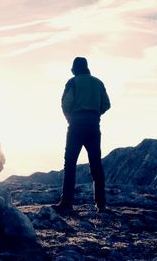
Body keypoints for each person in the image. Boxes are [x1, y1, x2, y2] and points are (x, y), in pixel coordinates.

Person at [53, 57, 111, 214]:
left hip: (76, 125)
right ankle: (101, 204)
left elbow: (65, 103)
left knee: (70, 162)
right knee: (96, 164)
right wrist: (95, 114)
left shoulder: (72, 82)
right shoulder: (98, 83)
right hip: (93, 125)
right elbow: (106, 104)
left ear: (75, 69)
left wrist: (70, 118)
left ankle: (66, 203)